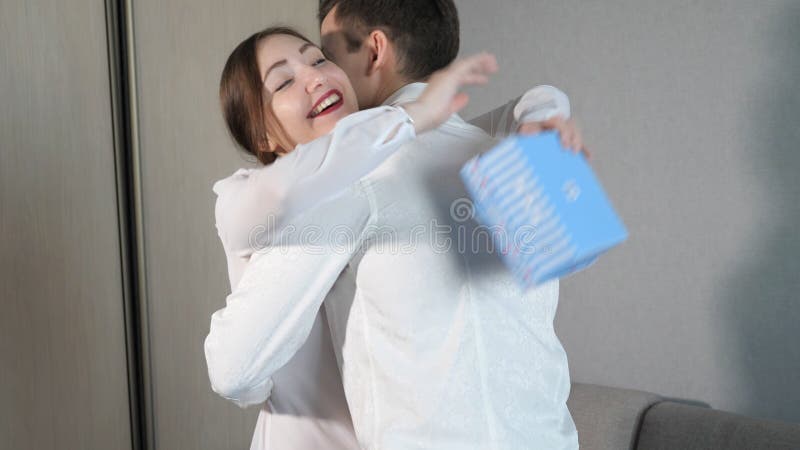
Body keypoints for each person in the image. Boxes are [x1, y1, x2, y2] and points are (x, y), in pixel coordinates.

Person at [207, 2, 586, 449]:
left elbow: (232, 369)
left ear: (374, 51)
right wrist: (545, 101)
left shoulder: (346, 183)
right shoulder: (525, 154)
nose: (321, 76)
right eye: (286, 80)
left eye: (325, 55)